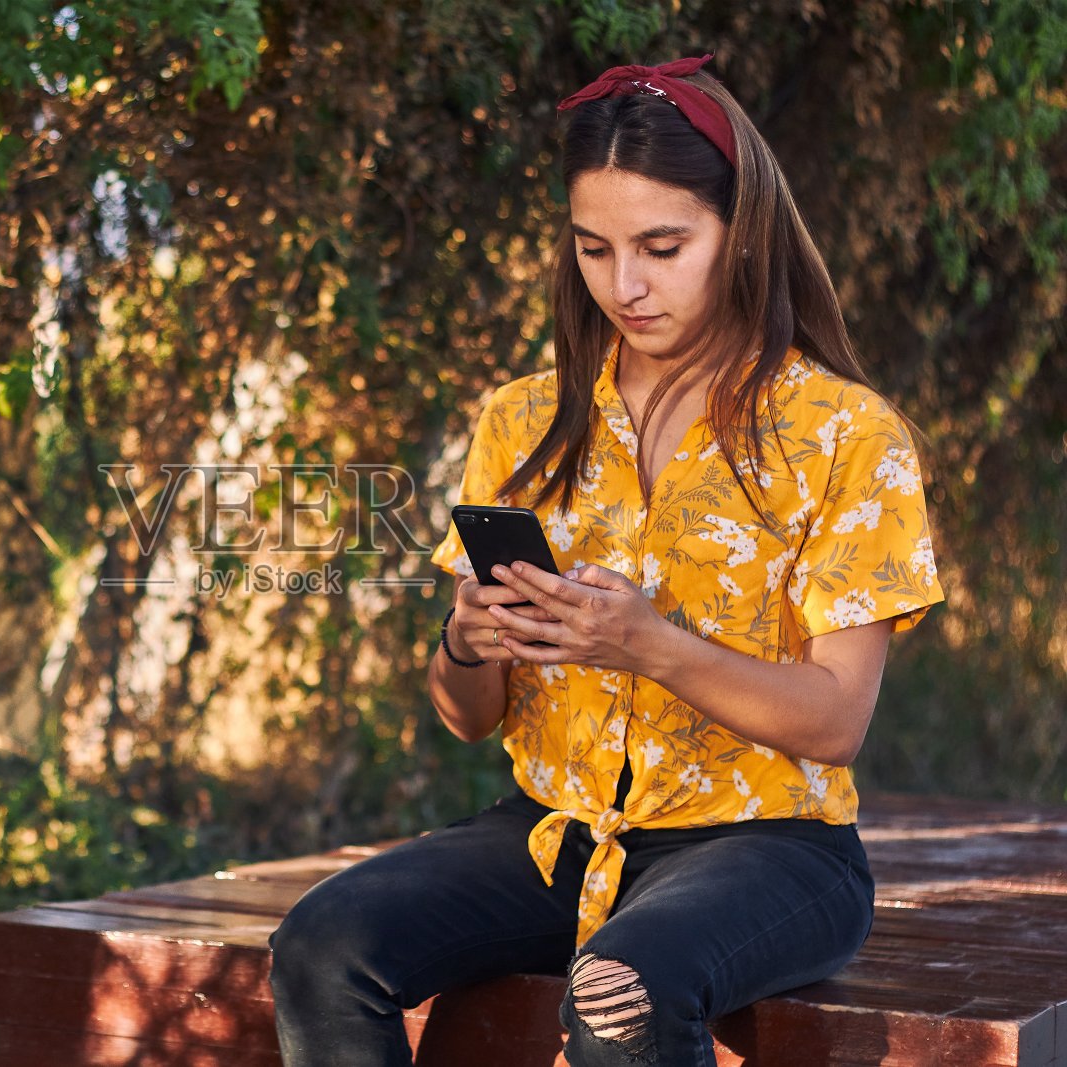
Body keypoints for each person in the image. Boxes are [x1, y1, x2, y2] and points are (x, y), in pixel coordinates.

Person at [268, 55, 945, 1067]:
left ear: (741, 231)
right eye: (594, 247)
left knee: (623, 990)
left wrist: (648, 643)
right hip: (554, 832)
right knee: (320, 947)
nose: (623, 284)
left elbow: (835, 720)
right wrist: (466, 639)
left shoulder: (846, 433)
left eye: (662, 246)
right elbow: (468, 713)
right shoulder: (524, 418)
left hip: (770, 844)